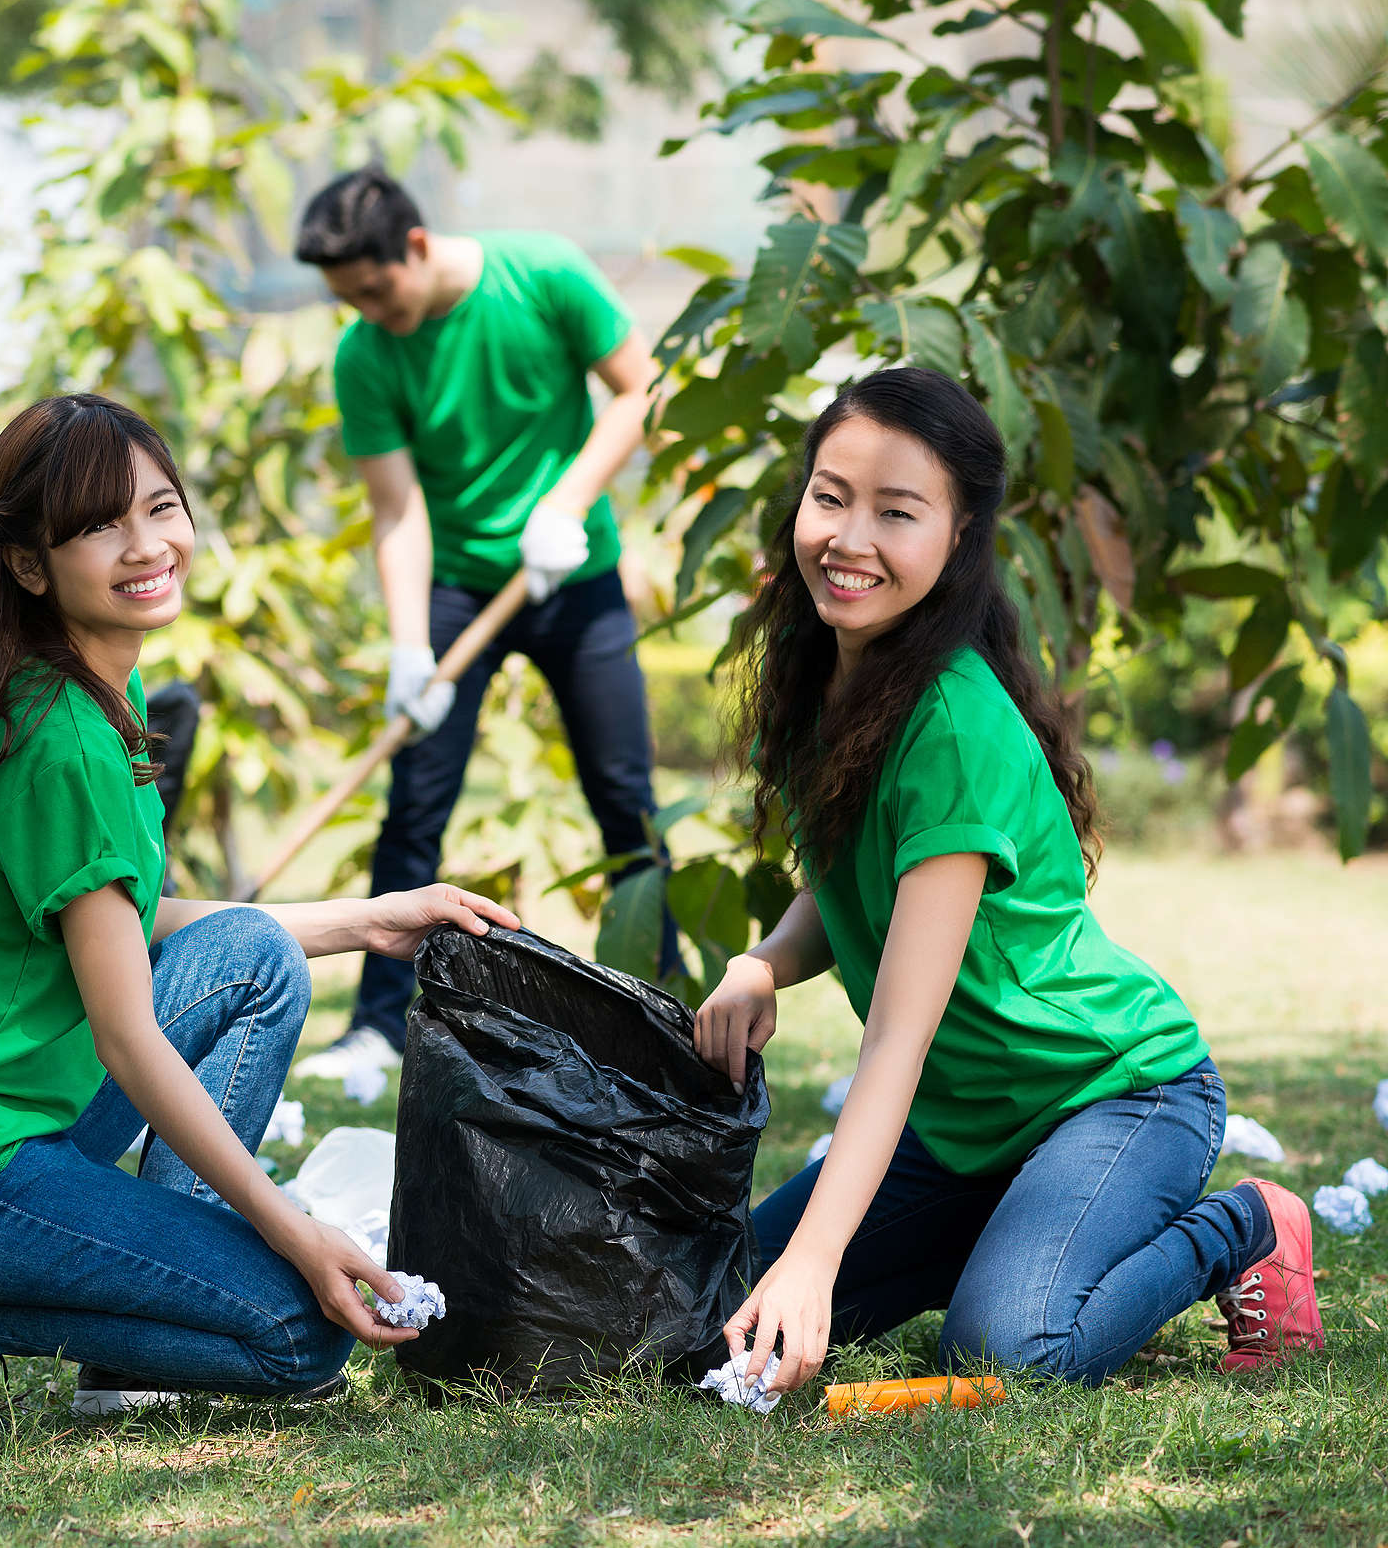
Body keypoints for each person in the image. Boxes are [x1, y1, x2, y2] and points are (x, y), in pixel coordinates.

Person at [0, 394, 518, 1450]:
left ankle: (131, 1336)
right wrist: (294, 1231)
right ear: (32, 564)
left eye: (161, 507)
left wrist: (368, 920)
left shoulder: (80, 692)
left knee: (255, 955)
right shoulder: (65, 737)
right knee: (296, 1335)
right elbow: (127, 1039)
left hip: (3, 1113)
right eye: (99, 524)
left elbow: (121, 918)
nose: (146, 545)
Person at [692, 366, 1321, 1394]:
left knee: (1006, 1348)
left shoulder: (949, 724)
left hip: (1114, 1096)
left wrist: (816, 1257)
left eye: (896, 512)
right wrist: (764, 961)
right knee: (716, 1316)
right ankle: (1014, 1225)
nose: (849, 540)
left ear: (959, 532)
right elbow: (852, 881)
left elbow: (897, 1032)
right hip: (959, 1133)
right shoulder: (830, 671)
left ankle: (1243, 1226)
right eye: (829, 495)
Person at [290, 167, 677, 1084]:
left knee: (625, 794)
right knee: (414, 806)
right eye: (349, 300)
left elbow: (640, 389)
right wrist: (409, 645)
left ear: (415, 247)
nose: (371, 312)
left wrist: (569, 504)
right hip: (460, 587)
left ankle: (665, 1010)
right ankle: (377, 1028)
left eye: (377, 289)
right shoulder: (367, 355)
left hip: (573, 569)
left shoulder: (543, 277)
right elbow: (398, 511)